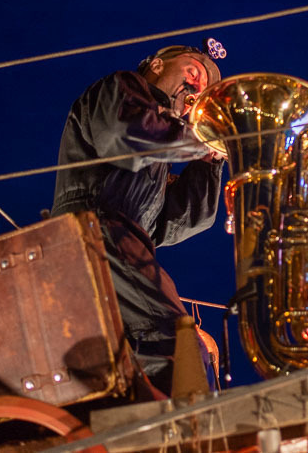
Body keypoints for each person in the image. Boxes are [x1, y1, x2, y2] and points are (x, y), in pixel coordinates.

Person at [50, 43, 225, 396]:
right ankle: (189, 424)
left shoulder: (158, 150)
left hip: (122, 242)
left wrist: (211, 158)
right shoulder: (123, 86)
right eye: (193, 71)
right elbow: (124, 136)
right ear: (157, 66)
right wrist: (198, 139)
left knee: (130, 365)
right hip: (94, 231)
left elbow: (181, 221)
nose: (196, 86)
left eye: (203, 86)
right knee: (179, 343)